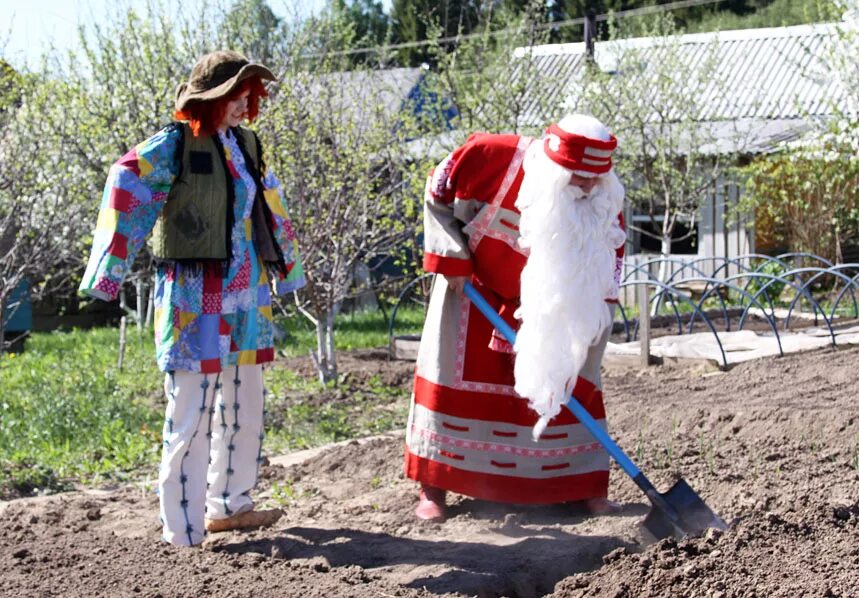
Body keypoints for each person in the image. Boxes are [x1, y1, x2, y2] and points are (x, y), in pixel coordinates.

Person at [79, 51, 306, 547]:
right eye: (238, 95)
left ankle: (230, 504)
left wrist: (287, 270)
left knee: (245, 405)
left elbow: (270, 205)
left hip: (248, 297)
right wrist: (107, 274)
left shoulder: (247, 144)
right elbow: (126, 183)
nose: (247, 103)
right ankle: (182, 531)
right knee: (192, 410)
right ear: (212, 98)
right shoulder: (175, 145)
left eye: (251, 94)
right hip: (194, 297)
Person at [404, 114, 626, 521]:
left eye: (597, 179)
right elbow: (438, 189)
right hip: (472, 288)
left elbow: (609, 269)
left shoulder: (605, 200)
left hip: (553, 310)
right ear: (555, 166)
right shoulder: (494, 156)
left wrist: (590, 328)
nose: (588, 187)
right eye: (578, 178)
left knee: (570, 388)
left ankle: (582, 486)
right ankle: (434, 489)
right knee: (451, 377)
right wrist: (450, 253)